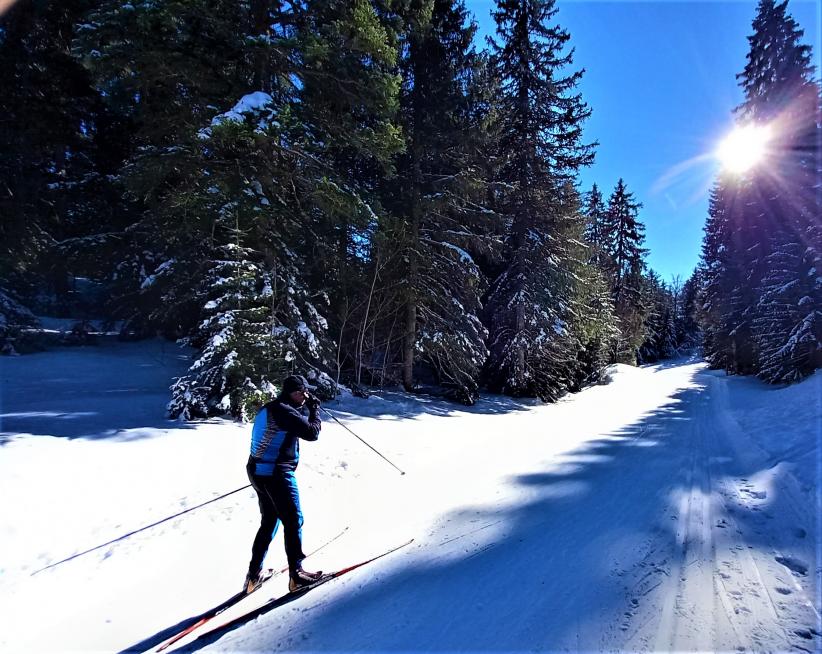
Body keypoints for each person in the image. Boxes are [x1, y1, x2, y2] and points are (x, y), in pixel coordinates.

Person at [245, 374, 323, 593]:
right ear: (293, 393)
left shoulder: (272, 408)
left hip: (258, 470)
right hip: (275, 473)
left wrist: (306, 408)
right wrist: (315, 411)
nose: (306, 396)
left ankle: (253, 576)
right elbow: (312, 432)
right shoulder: (285, 411)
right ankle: (296, 575)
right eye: (302, 392)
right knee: (293, 519)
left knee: (270, 521)